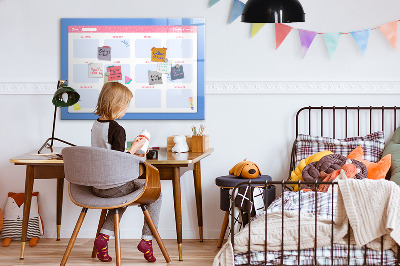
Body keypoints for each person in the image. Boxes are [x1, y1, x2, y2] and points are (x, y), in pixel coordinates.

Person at [91, 82, 161, 263]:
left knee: (121, 197)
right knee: (156, 194)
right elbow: (119, 161)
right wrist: (136, 148)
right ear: (117, 105)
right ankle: (147, 240)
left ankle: (103, 238)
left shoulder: (96, 125)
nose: (126, 109)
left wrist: (130, 149)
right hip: (114, 186)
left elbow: (108, 154)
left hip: (97, 186)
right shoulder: (117, 129)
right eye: (126, 105)